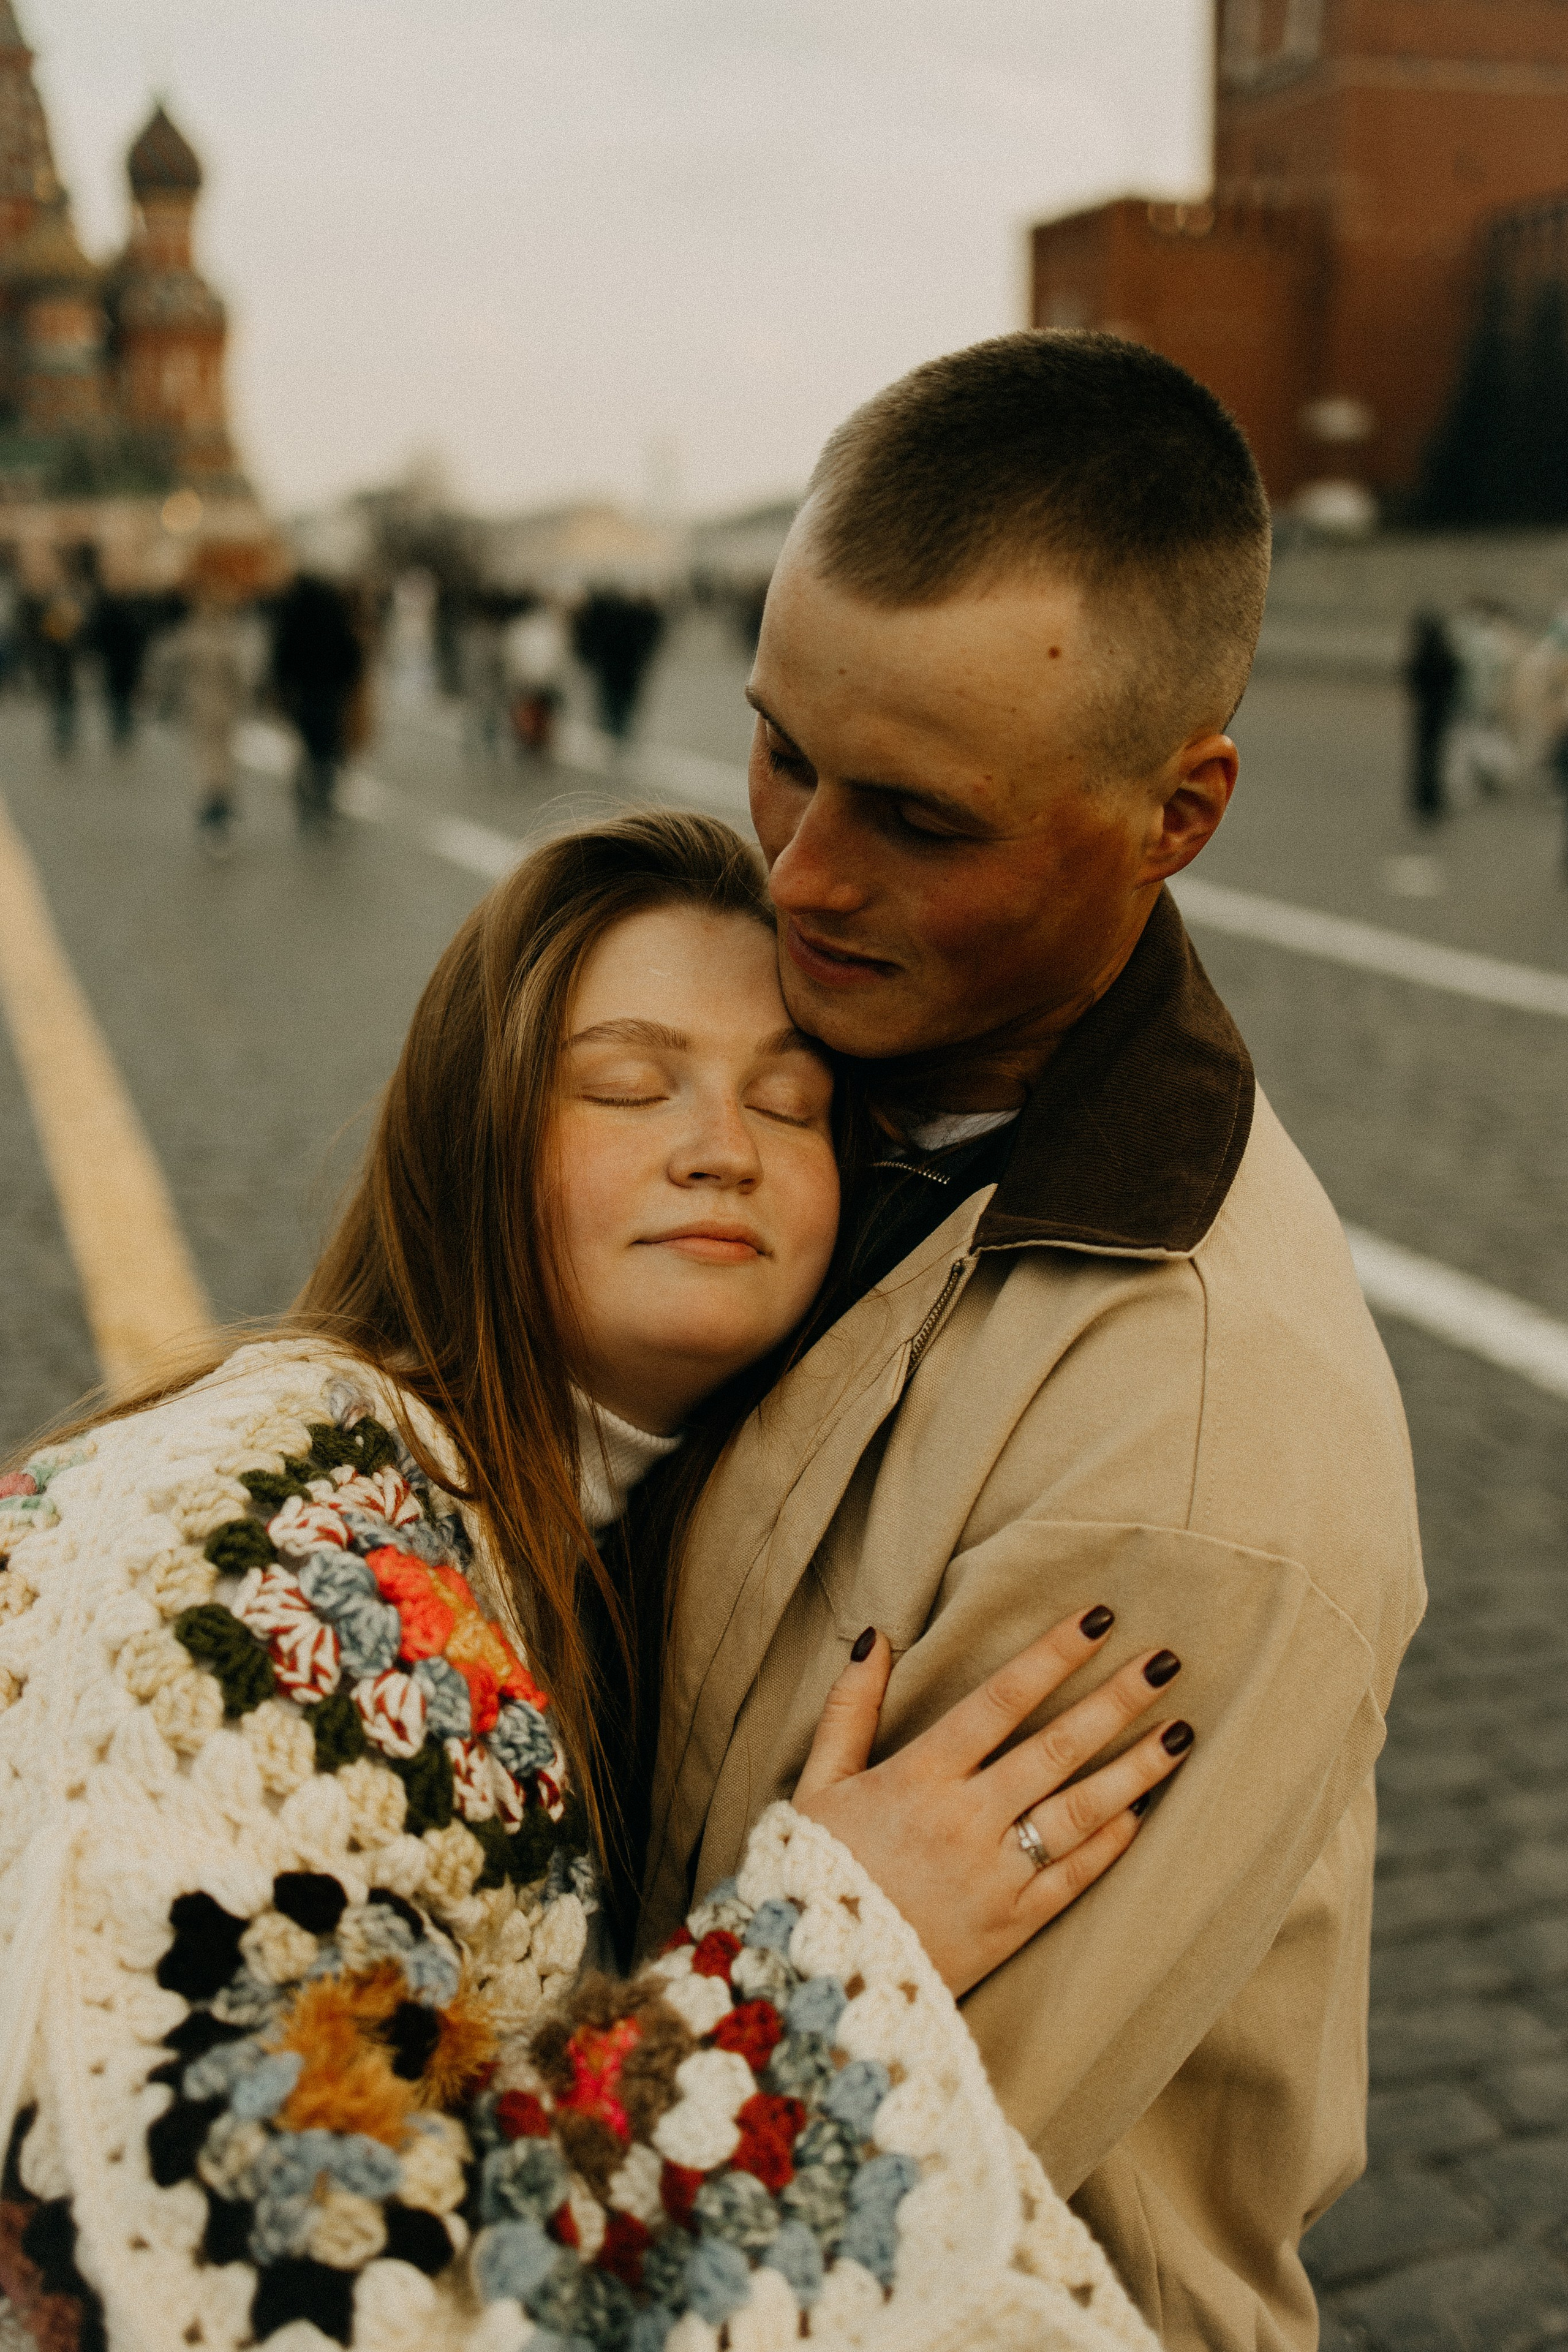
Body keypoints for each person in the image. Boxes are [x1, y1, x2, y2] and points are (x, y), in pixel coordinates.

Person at [0, 812, 1190, 2352]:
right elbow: (229, 2283)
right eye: (630, 1083)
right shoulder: (266, 1526)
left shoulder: (574, 1530)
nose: (723, 1143)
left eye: (793, 1100)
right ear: (472, 1125)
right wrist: (822, 1960)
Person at [638, 333, 1427, 2352]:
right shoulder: (796, 1078)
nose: (802, 873)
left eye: (916, 816)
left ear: (1180, 812)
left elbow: (842, 2214)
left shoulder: (1189, 1456)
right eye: (782, 755)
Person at [270, 571, 366, 829]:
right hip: (330, 692)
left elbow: (282, 656)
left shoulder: (294, 618)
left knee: (307, 746)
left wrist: (281, 686)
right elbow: (352, 656)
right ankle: (324, 800)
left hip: (302, 692)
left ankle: (305, 799)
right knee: (327, 748)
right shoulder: (335, 617)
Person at [571, 589, 665, 743]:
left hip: (612, 672)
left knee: (611, 703)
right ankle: (619, 732)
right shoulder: (634, 624)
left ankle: (612, 733)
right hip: (628, 673)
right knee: (623, 704)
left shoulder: (604, 626)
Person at [1404, 608, 1460, 822]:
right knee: (1436, 756)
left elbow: (1410, 679)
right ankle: (1434, 799)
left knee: (1422, 756)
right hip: (1441, 710)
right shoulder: (1445, 652)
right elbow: (1454, 676)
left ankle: (1422, 800)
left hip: (1423, 711)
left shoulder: (1420, 653)